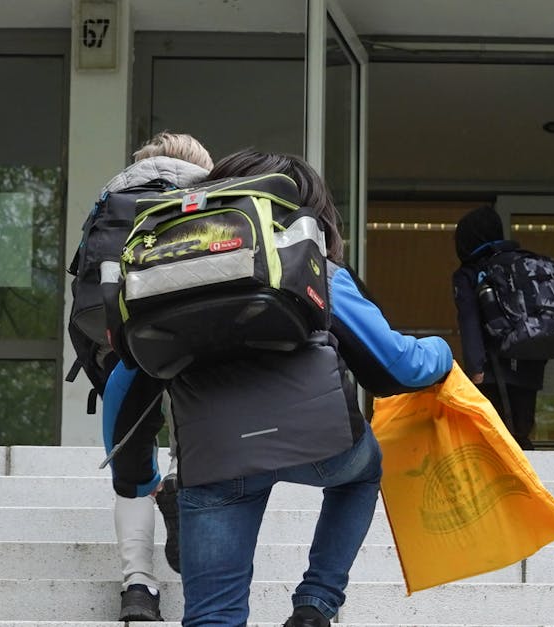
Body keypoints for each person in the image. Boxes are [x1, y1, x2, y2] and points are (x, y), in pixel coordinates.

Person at [173, 150, 453, 627]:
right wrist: (443, 351)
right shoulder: (313, 266)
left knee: (212, 617)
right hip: (317, 443)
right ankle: (317, 602)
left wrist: (132, 472)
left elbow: (128, 372)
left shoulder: (176, 271)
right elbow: (399, 365)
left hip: (212, 452)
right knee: (363, 472)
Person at [96, 132, 213, 622]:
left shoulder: (113, 202)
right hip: (205, 350)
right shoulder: (221, 199)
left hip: (132, 354)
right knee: (202, 455)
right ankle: (183, 488)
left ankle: (138, 588)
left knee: (130, 474)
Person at [451, 205, 546, 449]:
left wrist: (475, 368)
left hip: (492, 370)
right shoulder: (521, 264)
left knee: (493, 438)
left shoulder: (470, 273)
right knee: (521, 432)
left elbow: (469, 321)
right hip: (529, 364)